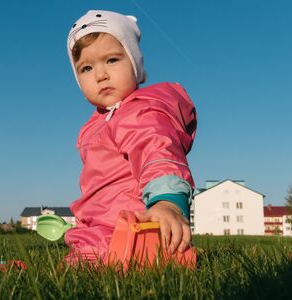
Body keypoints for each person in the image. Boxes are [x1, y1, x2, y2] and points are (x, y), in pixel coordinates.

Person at [65, 10, 197, 264]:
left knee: (86, 269)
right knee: (77, 265)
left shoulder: (140, 113)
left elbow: (158, 153)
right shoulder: (99, 123)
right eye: (87, 68)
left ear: (134, 64)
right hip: (100, 227)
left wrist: (167, 202)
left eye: (112, 60)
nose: (100, 74)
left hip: (134, 228)